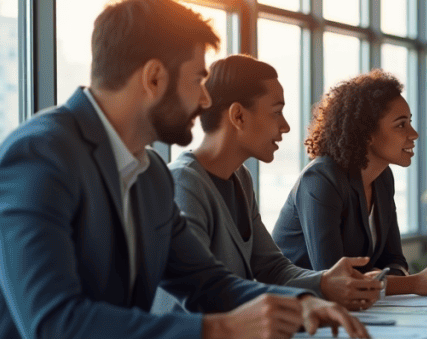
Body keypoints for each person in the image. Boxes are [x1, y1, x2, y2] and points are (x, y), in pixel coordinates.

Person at [0, 0, 367, 339]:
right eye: (197, 80)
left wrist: (299, 304)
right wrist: (221, 330)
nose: (206, 101)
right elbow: (54, 327)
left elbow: (207, 283)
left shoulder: (151, 174)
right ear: (154, 78)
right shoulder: (40, 155)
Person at [155, 55, 382, 313]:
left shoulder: (240, 178)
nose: (285, 126)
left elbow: (271, 268)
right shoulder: (183, 184)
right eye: (276, 112)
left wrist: (324, 281)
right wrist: (304, 301)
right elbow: (203, 290)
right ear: (238, 116)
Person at [273, 70, 427, 296]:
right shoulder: (320, 179)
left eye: (410, 122)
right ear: (367, 132)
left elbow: (395, 260)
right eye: (401, 125)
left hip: (355, 307)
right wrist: (412, 284)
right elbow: (333, 277)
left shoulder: (382, 178)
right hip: (298, 310)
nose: (414, 133)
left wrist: (384, 280)